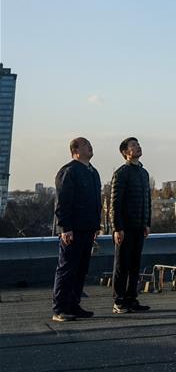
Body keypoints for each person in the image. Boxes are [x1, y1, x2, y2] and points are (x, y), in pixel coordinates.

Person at [52, 137, 101, 322]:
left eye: (90, 143)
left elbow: (96, 202)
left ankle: (74, 305)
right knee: (67, 268)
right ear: (75, 151)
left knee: (81, 269)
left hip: (88, 228)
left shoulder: (93, 172)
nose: (90, 146)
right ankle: (60, 308)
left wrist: (96, 226)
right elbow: (63, 202)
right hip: (72, 230)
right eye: (85, 144)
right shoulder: (69, 171)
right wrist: (65, 228)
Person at [109, 137, 152, 314]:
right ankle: (119, 301)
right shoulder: (121, 173)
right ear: (125, 153)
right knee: (122, 265)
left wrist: (147, 223)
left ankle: (132, 299)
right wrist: (117, 228)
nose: (138, 147)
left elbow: (147, 200)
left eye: (138, 144)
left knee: (135, 265)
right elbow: (115, 203)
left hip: (139, 226)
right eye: (133, 146)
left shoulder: (144, 173)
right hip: (125, 227)